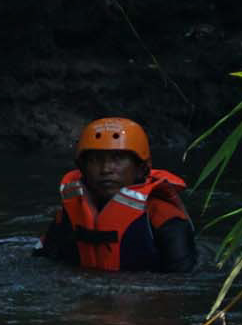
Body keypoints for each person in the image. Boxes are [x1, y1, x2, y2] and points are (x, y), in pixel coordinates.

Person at [37, 117, 200, 274]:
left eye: (118, 158)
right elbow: (41, 264)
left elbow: (182, 280)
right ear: (82, 168)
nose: (106, 169)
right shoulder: (69, 214)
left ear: (141, 169)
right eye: (95, 160)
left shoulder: (164, 218)